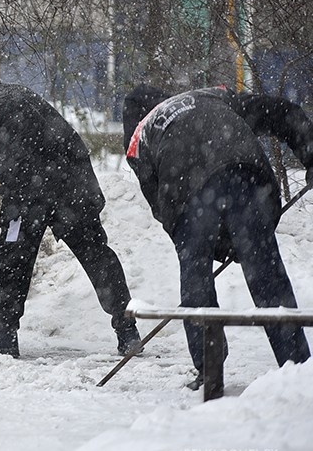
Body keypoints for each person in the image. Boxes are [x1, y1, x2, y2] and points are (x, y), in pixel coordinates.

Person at [0, 69, 140, 358]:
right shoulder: (14, 92)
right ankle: (127, 329)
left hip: (28, 192)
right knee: (95, 253)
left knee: (13, 259)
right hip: (74, 180)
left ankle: (5, 335)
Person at [123, 84, 313, 389]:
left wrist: (206, 244)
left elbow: (162, 207)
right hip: (247, 169)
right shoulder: (212, 96)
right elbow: (282, 112)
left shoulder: (139, 137)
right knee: (266, 272)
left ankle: (209, 369)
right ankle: (298, 365)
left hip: (185, 185)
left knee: (195, 276)